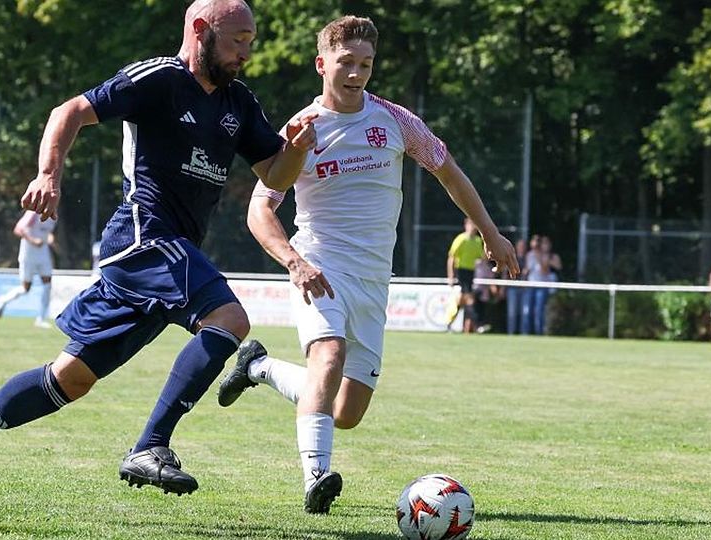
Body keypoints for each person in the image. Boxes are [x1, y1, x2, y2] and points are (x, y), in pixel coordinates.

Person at [0, 0, 317, 501]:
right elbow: (68, 111)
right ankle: (150, 446)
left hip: (165, 257)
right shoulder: (158, 79)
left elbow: (274, 174)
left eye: (251, 42)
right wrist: (48, 174)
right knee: (230, 320)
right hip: (144, 238)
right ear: (201, 30)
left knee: (67, 381)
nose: (246, 53)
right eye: (236, 40)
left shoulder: (238, 103)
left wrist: (298, 148)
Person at [214, 15, 518, 514]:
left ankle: (260, 367)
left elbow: (449, 171)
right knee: (326, 357)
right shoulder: (300, 132)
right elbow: (259, 209)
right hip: (321, 265)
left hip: (375, 281)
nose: (356, 73)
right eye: (345, 63)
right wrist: (293, 261)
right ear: (321, 64)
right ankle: (316, 476)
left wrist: (490, 231)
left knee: (345, 411)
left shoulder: (396, 122)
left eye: (366, 64)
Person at [0, 210, 57, 328]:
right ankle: (3, 300)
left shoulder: (53, 215)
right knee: (25, 288)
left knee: (47, 284)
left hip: (43, 254)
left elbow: (46, 232)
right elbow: (18, 229)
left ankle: (41, 319)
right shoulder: (33, 213)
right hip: (28, 254)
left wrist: (50, 239)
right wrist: (33, 240)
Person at [447, 218, 486, 333]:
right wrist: (451, 276)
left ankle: (449, 323)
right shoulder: (461, 239)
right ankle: (478, 324)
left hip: (471, 272)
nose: (473, 227)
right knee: (470, 299)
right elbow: (451, 257)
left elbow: (482, 257)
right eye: (472, 225)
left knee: (462, 300)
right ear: (466, 225)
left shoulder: (478, 241)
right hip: (461, 271)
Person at [505, 238, 527, 335]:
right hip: (512, 287)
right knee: (512, 313)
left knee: (524, 313)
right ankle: (511, 333)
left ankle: (523, 333)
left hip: (524, 288)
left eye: (523, 246)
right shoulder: (511, 257)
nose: (521, 248)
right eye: (520, 246)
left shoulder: (527, 258)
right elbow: (506, 272)